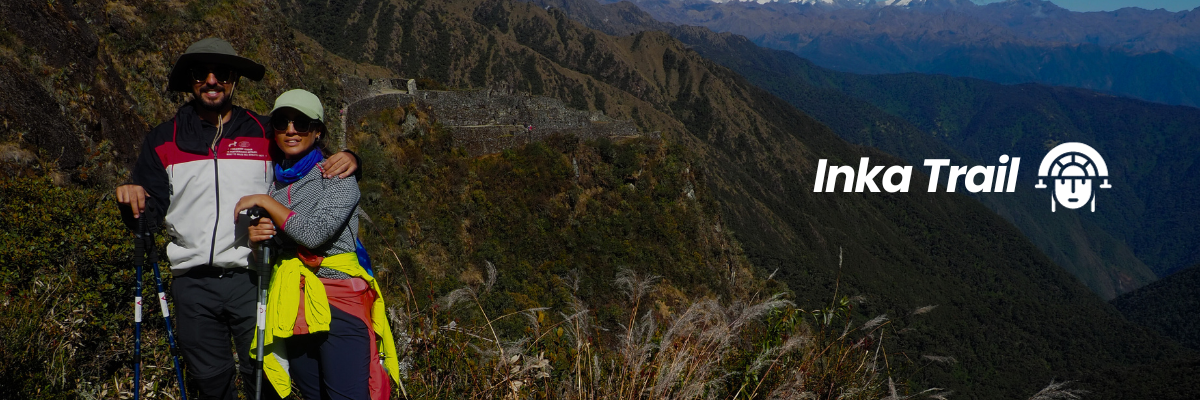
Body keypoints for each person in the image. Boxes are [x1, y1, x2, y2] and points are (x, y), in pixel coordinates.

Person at [114, 38, 360, 400]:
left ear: (235, 80)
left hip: (253, 277)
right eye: (201, 74)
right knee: (211, 382)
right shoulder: (163, 140)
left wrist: (353, 158)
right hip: (192, 282)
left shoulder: (264, 133)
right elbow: (148, 217)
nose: (212, 81)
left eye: (223, 73)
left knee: (265, 378)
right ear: (190, 80)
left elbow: (305, 156)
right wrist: (130, 200)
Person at [234, 89, 398, 400]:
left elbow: (313, 234)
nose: (291, 130)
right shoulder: (275, 182)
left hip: (339, 303)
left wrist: (266, 202)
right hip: (294, 306)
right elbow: (275, 255)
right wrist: (257, 245)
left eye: (302, 123)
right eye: (282, 122)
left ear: (318, 130)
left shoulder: (337, 176)